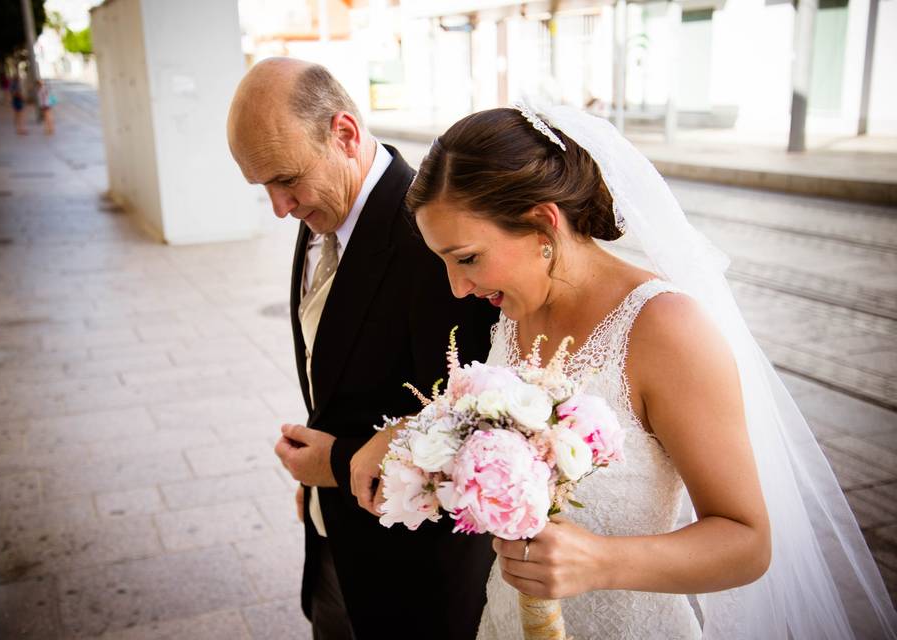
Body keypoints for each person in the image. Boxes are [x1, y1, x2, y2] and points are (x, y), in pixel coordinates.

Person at [357, 104, 896, 639]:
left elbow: (747, 542)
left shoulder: (665, 328)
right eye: (444, 262)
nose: (457, 287)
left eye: (468, 258)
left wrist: (601, 562)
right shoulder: (513, 310)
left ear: (544, 223)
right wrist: (413, 436)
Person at [226, 58, 499, 640]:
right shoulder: (324, 202)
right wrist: (315, 482)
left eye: (285, 180)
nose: (279, 208)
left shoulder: (434, 240)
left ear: (344, 135)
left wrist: (334, 461)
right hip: (335, 543)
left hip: (411, 577)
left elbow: (469, 425)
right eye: (263, 188)